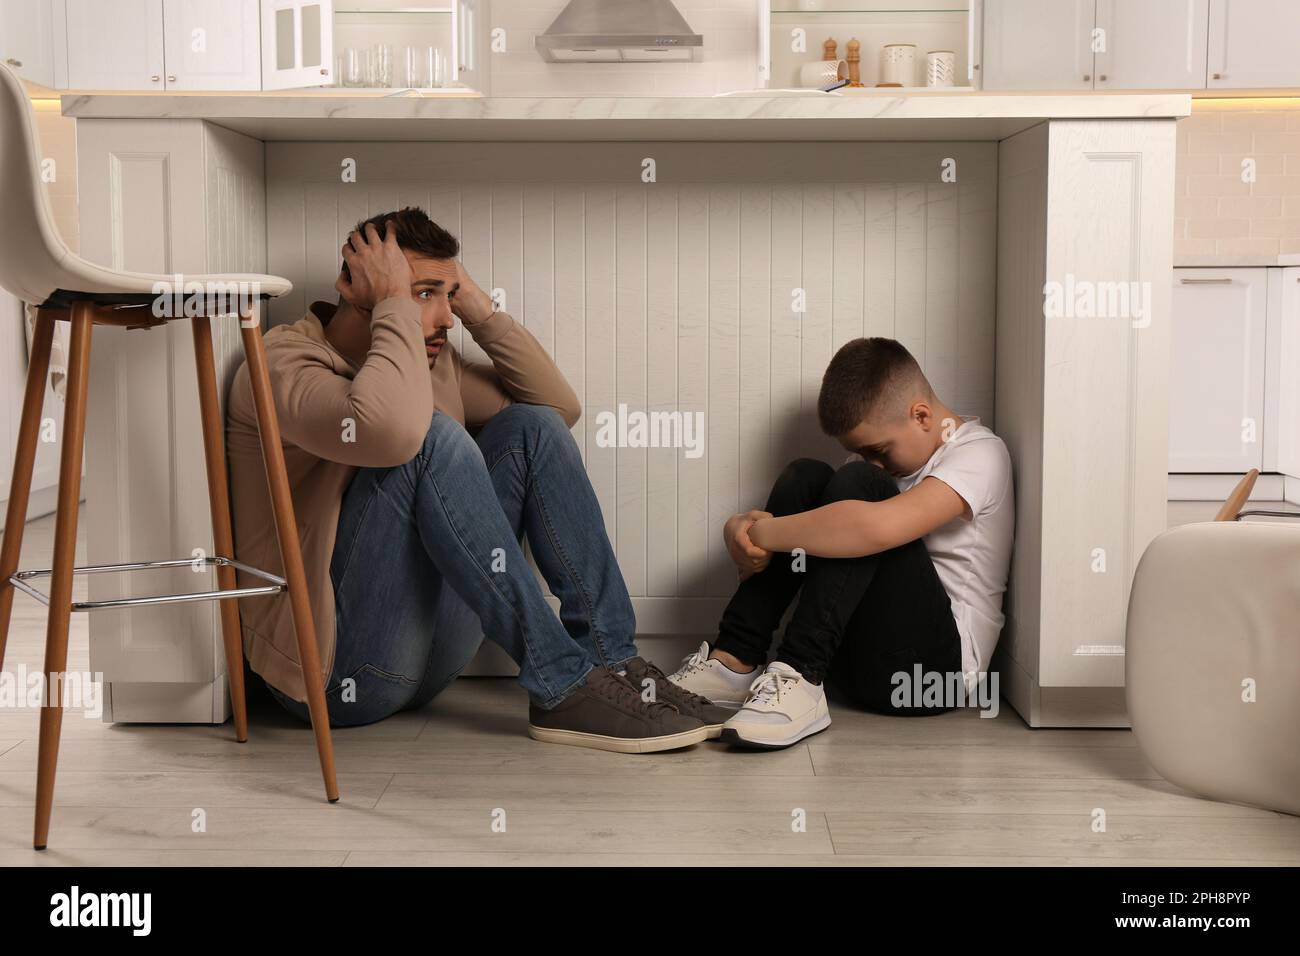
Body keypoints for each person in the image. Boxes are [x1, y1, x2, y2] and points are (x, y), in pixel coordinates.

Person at [225, 207, 731, 753]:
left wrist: (474, 306)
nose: (444, 317)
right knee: (432, 438)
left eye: (448, 293)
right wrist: (395, 302)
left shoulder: (429, 354)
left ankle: (612, 663)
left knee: (529, 426)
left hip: (427, 663)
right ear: (357, 288)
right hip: (338, 678)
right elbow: (392, 432)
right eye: (424, 293)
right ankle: (560, 683)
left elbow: (558, 408)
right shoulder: (283, 363)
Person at [670, 337, 1015, 748]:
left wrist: (761, 533)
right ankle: (734, 662)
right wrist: (736, 528)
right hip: (855, 664)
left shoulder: (980, 455)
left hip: (932, 677)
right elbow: (825, 531)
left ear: (921, 416)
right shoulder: (876, 465)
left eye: (879, 450)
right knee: (807, 476)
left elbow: (873, 529)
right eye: (862, 453)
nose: (873, 462)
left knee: (860, 491)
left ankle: (800, 674)